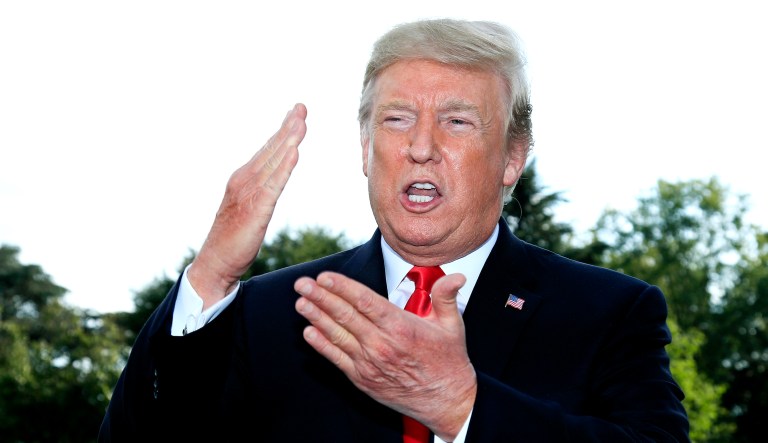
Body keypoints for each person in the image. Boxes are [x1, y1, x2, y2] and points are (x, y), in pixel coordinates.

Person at [99, 18, 689, 442]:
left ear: (513, 157)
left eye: (457, 121)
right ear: (364, 147)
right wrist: (211, 275)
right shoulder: (275, 312)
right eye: (397, 119)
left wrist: (462, 406)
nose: (421, 148)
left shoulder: (609, 312)